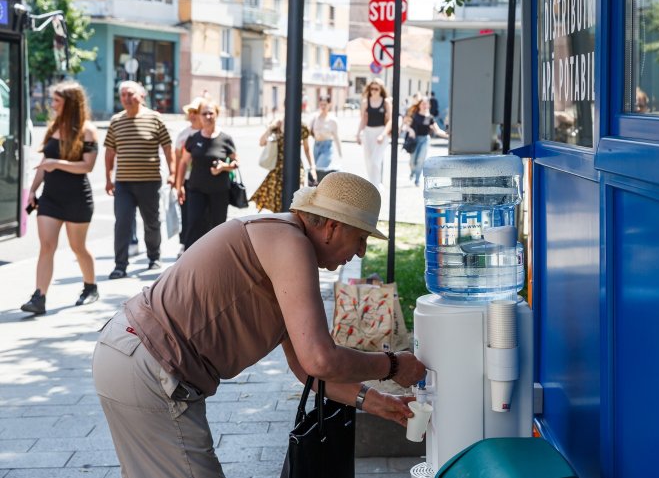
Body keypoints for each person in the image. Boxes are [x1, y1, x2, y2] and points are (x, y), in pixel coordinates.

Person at [92, 172, 427, 477]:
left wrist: (375, 401)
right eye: (360, 238)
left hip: (131, 354)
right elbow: (320, 360)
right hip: (149, 363)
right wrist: (392, 365)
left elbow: (305, 369)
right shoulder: (289, 243)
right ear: (332, 227)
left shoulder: (284, 243)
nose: (360, 252)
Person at [21, 82, 100, 315]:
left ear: (70, 103)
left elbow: (87, 166)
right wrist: (33, 190)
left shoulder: (88, 130)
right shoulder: (54, 126)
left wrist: (57, 163)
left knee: (78, 247)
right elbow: (44, 165)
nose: (52, 105)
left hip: (77, 198)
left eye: (56, 100)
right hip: (50, 198)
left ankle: (90, 287)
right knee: (47, 246)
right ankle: (39, 297)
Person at [105, 81, 175, 279]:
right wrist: (108, 178)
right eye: (123, 95)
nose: (127, 98)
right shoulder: (116, 121)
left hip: (149, 181)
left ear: (142, 96)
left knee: (151, 222)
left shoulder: (155, 118)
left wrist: (172, 173)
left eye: (131, 94)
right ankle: (120, 265)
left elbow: (168, 148)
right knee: (122, 223)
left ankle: (154, 257)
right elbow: (110, 151)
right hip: (124, 183)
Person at [175, 99, 239, 249]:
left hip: (219, 192)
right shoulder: (193, 138)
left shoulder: (226, 139)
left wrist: (224, 167)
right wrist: (179, 187)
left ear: (217, 114)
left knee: (218, 227)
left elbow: (236, 163)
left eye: (211, 113)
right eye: (204, 113)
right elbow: (184, 162)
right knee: (194, 223)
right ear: (199, 116)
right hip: (196, 190)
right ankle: (190, 259)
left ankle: (216, 260)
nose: (208, 116)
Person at [249, 116, 316, 213]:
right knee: (278, 205)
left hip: (296, 167)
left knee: (297, 199)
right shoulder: (276, 124)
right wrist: (271, 128)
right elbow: (261, 142)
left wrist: (313, 167)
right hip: (278, 169)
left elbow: (307, 149)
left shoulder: (302, 126)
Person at [173, 96, 204, 255]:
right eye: (190, 111)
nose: (192, 115)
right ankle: (184, 243)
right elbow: (178, 158)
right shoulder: (184, 134)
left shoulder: (207, 132)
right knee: (186, 214)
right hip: (186, 179)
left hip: (205, 180)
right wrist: (176, 180)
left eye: (196, 111)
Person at [404, 96, 449, 187]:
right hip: (414, 140)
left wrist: (449, 136)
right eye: (423, 104)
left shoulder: (430, 118)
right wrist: (411, 130)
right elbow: (406, 126)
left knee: (421, 159)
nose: (425, 105)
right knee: (412, 161)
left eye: (426, 104)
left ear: (429, 105)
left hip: (425, 139)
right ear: (419, 105)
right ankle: (413, 171)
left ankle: (417, 179)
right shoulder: (414, 115)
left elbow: (437, 131)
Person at [356, 78, 392, 189]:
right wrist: (358, 133)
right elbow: (363, 119)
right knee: (368, 161)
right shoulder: (365, 102)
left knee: (375, 161)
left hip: (381, 132)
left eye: (376, 88)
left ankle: (375, 185)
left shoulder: (386, 102)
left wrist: (383, 134)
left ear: (381, 89)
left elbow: (390, 120)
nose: (374, 91)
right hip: (368, 132)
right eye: (372, 88)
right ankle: (373, 184)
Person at [309, 95, 342, 184]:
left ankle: (321, 190)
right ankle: (318, 190)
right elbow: (308, 131)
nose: (323, 107)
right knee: (315, 170)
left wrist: (340, 154)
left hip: (327, 147)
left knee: (320, 168)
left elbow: (336, 137)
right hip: (316, 146)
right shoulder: (314, 118)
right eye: (321, 104)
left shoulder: (333, 120)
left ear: (329, 105)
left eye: (325, 104)